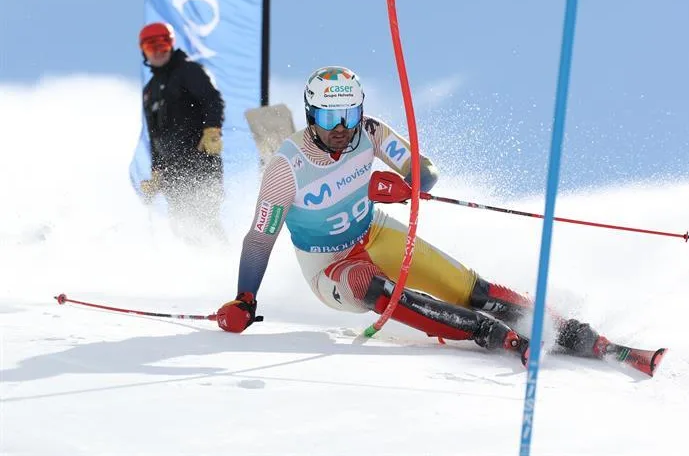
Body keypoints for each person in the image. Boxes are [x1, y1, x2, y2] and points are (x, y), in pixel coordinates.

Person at [216, 66, 606, 361]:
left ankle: (565, 329)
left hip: (374, 232)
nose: (340, 129)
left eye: (348, 116)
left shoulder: (370, 132)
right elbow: (260, 237)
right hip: (327, 265)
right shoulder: (286, 167)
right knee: (366, 283)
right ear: (309, 114)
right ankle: (487, 333)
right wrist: (245, 298)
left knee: (470, 289)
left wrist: (406, 186)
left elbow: (426, 170)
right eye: (327, 117)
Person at [138, 22, 226, 244]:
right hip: (173, 172)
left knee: (205, 219)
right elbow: (154, 136)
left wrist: (212, 129)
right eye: (151, 47)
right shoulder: (149, 91)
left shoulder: (188, 71)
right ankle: (201, 272)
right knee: (182, 226)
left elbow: (212, 99)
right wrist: (157, 172)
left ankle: (226, 262)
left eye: (163, 45)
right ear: (144, 52)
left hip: (200, 160)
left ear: (171, 44)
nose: (158, 52)